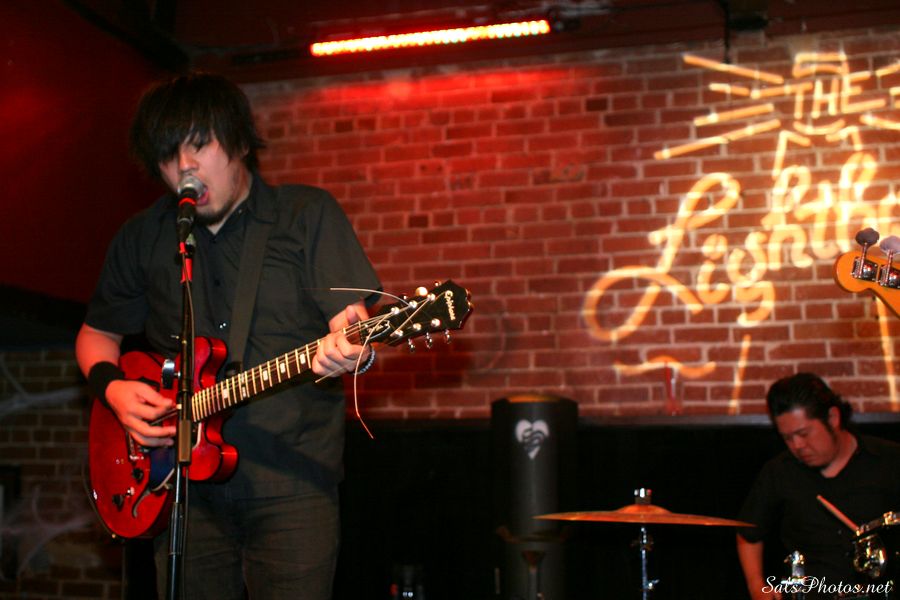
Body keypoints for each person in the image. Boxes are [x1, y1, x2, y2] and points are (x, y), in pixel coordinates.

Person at [75, 72, 381, 599]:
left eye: (199, 144)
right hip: (181, 490)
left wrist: (354, 350)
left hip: (293, 482)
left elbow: (350, 325)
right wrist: (114, 390)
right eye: (169, 154)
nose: (184, 166)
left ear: (239, 142)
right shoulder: (142, 236)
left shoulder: (305, 215)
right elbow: (96, 334)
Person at [736, 373, 900, 600]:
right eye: (787, 438)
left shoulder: (889, 460)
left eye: (803, 434)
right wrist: (757, 587)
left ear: (833, 417)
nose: (797, 445)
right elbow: (748, 534)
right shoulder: (780, 471)